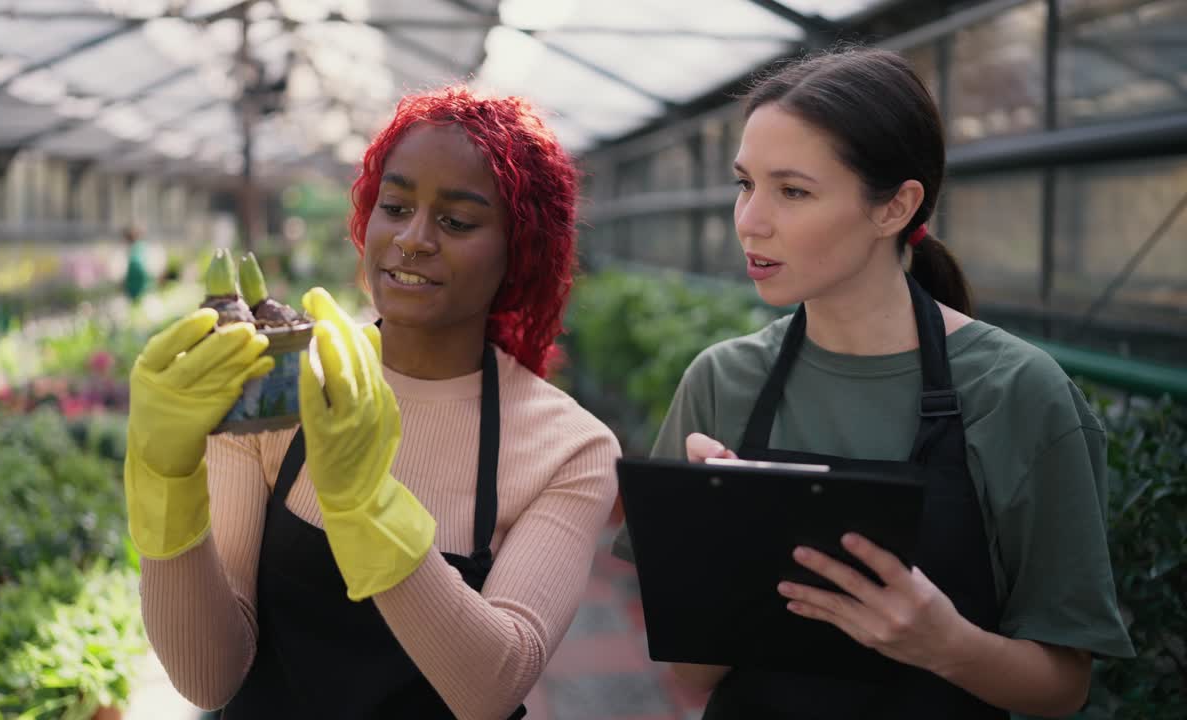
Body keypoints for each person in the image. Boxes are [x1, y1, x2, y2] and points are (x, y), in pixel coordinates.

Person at [611, 48, 1133, 719]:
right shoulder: (721, 380)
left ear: (895, 208)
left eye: (792, 191)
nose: (749, 220)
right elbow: (692, 674)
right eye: (745, 184)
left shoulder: (1020, 393)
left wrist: (946, 645)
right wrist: (719, 548)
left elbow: (1063, 689)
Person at [123, 86, 621, 718]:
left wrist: (364, 502)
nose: (413, 239)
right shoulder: (284, 381)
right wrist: (167, 476)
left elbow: (492, 689)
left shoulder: (567, 447)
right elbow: (208, 679)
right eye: (396, 205)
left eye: (457, 221)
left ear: (518, 251)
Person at [122, 224, 152, 302]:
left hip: (138, 288)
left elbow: (138, 268)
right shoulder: (139, 247)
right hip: (141, 287)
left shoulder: (137, 249)